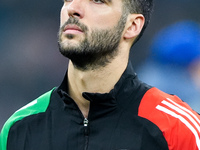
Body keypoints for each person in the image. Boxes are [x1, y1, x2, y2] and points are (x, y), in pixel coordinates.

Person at [0, 0, 199, 150]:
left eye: (97, 0)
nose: (73, 8)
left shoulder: (178, 129)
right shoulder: (19, 127)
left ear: (132, 26)